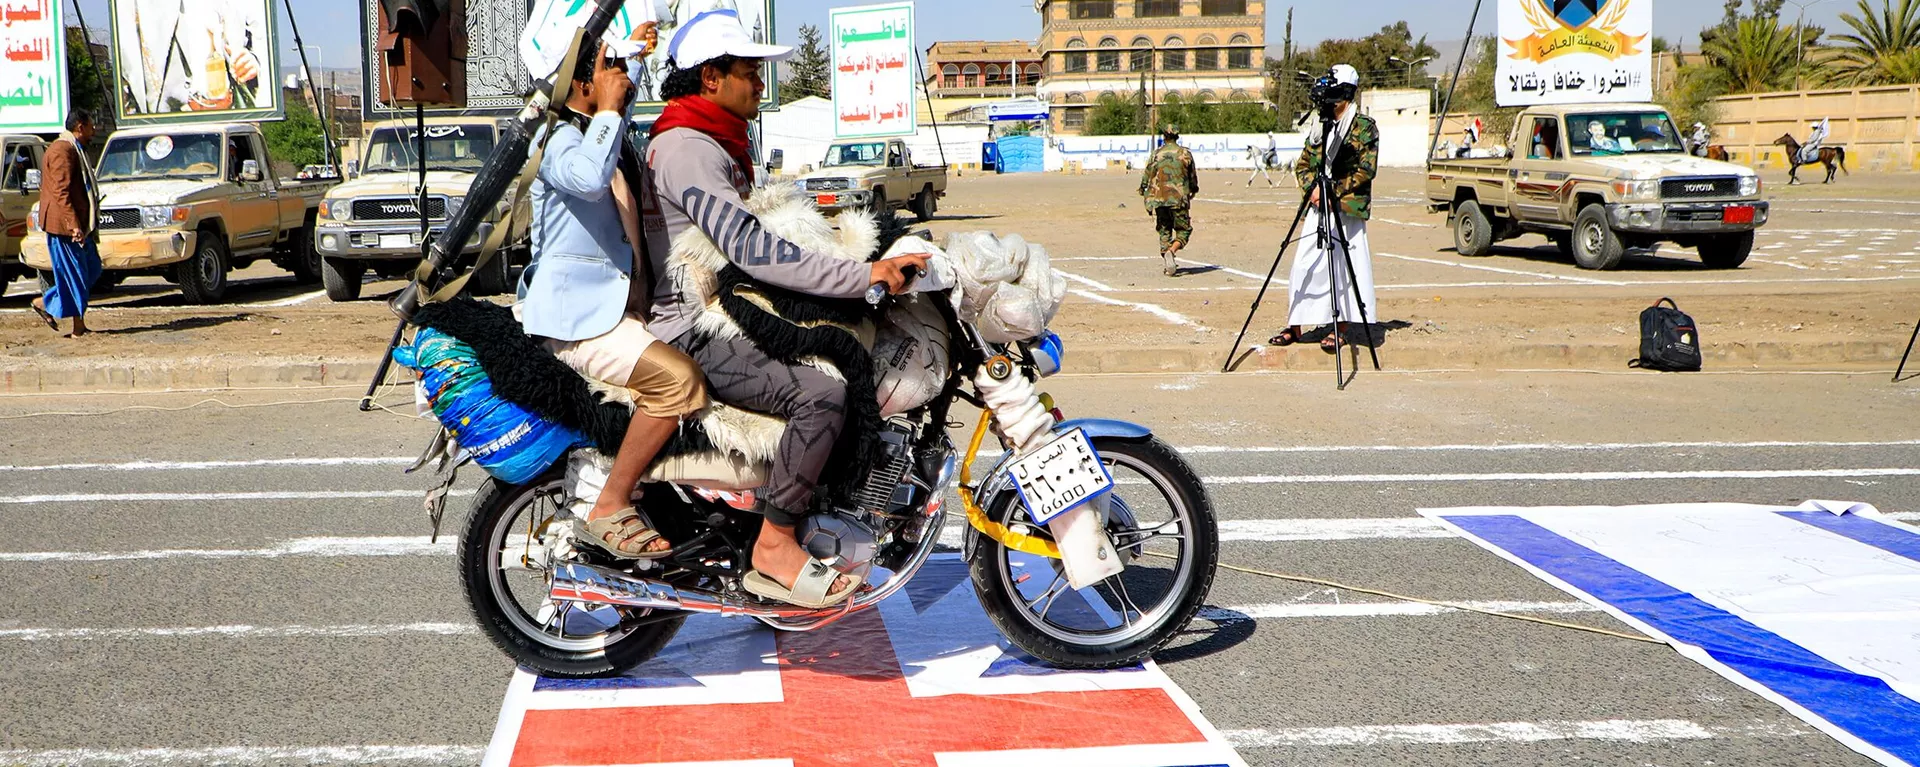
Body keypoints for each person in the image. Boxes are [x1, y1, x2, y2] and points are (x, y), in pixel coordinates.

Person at [640, 9, 928, 608]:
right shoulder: (687, 149)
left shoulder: (715, 141)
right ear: (710, 78)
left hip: (732, 307)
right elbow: (750, 246)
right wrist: (858, 275)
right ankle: (775, 543)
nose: (761, 85)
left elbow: (764, 232)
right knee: (820, 394)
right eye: (750, 72)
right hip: (692, 328)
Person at [517, 25, 706, 562]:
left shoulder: (606, 131)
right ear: (582, 83)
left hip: (624, 312)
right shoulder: (554, 139)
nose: (622, 81)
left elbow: (619, 99)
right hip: (581, 322)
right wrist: (606, 108)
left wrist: (637, 52)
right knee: (678, 383)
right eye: (608, 70)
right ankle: (610, 500)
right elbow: (586, 179)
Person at [1268, 65, 1378, 355]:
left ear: (1345, 91)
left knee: (1345, 269)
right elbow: (1303, 165)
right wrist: (1313, 190)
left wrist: (1334, 191)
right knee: (1304, 264)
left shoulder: (1364, 127)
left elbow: (1366, 170)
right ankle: (1296, 324)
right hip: (1319, 206)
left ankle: (1340, 327)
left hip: (1347, 209)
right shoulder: (1321, 124)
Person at [31, 109, 101, 338]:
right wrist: (73, 226)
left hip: (77, 223)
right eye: (91, 126)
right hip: (64, 227)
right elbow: (61, 192)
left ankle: (44, 302)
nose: (94, 131)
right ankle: (78, 328)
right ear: (80, 126)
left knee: (91, 269)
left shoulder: (73, 149)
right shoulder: (63, 150)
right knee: (76, 275)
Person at [1139, 124, 1197, 277]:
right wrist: (1193, 190)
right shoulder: (1185, 154)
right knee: (1184, 230)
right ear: (1177, 136)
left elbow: (1147, 175)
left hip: (1159, 198)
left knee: (1164, 229)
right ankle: (1172, 251)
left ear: (1164, 136)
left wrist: (1143, 189)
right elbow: (1192, 177)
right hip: (1178, 198)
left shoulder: (1156, 154)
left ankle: (1167, 260)